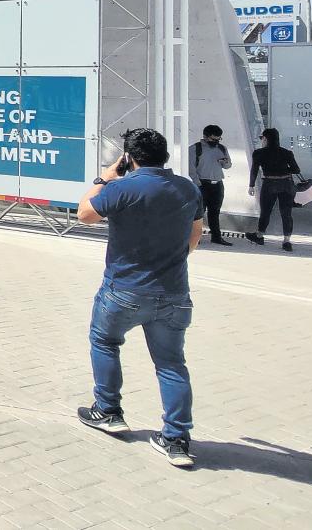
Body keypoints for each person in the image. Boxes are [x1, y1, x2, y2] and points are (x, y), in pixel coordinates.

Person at [75, 128, 203, 469]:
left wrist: (104, 177)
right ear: (165, 155)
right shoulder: (188, 189)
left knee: (104, 341)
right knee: (171, 364)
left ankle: (108, 410)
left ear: (128, 157)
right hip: (174, 292)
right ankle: (176, 438)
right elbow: (194, 237)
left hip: (124, 289)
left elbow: (84, 214)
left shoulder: (122, 188)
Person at [248, 127, 302, 252]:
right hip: (286, 184)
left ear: (265, 139)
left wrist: (251, 185)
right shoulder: (286, 152)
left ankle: (259, 236)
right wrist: (283, 170)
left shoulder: (258, 153)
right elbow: (296, 170)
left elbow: (254, 170)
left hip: (269, 183)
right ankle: (286, 241)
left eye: (262, 138)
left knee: (266, 211)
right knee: (286, 213)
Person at [187, 124, 233, 246]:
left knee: (215, 211)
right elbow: (191, 168)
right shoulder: (195, 149)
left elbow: (228, 166)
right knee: (199, 212)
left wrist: (225, 162)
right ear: (205, 136)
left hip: (217, 183)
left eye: (218, 139)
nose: (216, 142)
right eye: (213, 139)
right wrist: (197, 183)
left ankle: (216, 237)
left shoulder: (222, 148)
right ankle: (196, 237)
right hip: (202, 183)